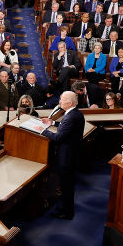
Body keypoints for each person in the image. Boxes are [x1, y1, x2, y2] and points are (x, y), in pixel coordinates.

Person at [42, 90, 85, 220]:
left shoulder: (71, 116)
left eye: (61, 100)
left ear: (70, 103)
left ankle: (67, 213)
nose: (59, 102)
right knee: (67, 185)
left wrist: (43, 131)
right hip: (71, 155)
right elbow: (65, 126)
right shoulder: (75, 113)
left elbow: (59, 137)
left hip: (67, 157)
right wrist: (53, 123)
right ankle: (66, 208)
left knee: (66, 186)